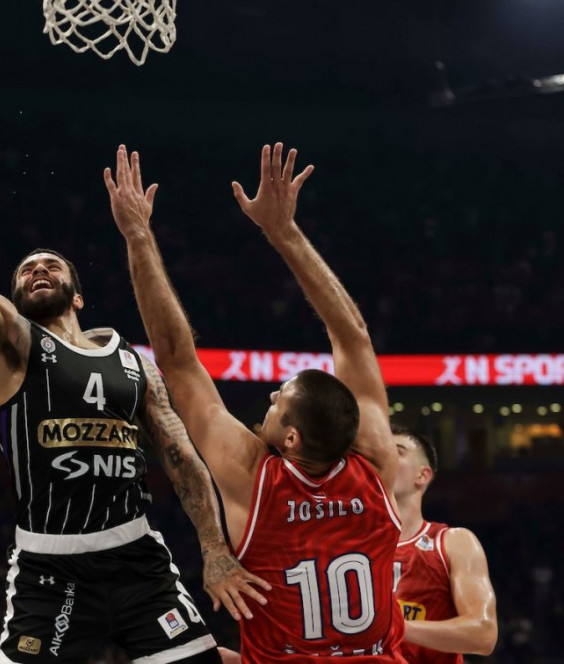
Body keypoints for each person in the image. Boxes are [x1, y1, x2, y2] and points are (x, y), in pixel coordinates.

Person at [0, 108, 269, 664]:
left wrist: (214, 550)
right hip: (50, 566)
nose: (38, 269)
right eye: (26, 269)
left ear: (78, 296)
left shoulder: (131, 361)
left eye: (52, 265)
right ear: (14, 297)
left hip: (138, 559)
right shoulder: (11, 341)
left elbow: (181, 457)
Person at [107, 143, 406, 661]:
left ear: (291, 438)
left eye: (279, 399)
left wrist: (138, 235)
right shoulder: (378, 464)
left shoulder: (253, 477)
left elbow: (177, 360)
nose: (270, 395)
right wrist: (284, 232)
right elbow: (354, 336)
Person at [391, 425, 497, 663]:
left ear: (422, 475)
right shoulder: (348, 545)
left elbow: (483, 633)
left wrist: (394, 627)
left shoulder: (453, 542)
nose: (384, 458)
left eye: (397, 451)